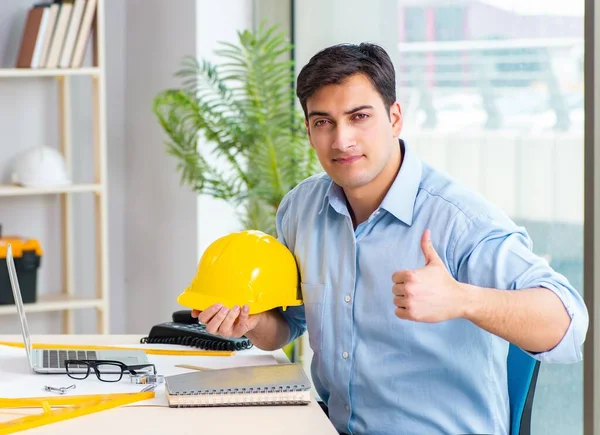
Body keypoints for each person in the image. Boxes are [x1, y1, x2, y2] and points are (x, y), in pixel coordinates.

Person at [194, 43, 588, 435]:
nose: (341, 140)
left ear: (395, 117)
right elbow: (288, 326)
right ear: (309, 130)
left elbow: (568, 325)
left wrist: (461, 299)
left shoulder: (459, 221)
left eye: (359, 117)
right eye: (323, 122)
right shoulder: (300, 210)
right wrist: (251, 323)